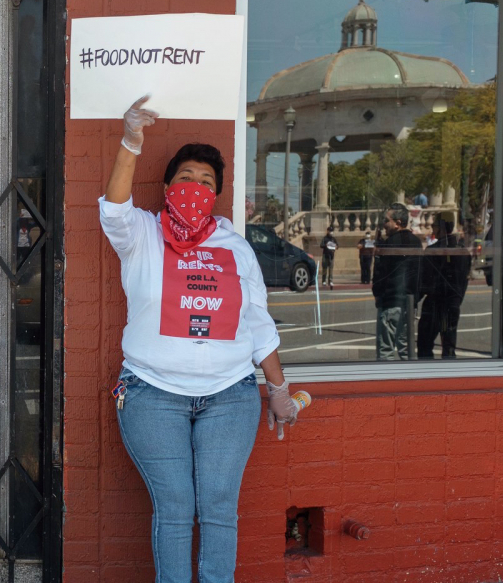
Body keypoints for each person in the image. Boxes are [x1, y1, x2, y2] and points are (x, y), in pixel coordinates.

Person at [101, 96, 300, 583]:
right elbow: (113, 209)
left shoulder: (235, 246)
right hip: (152, 394)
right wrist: (130, 141)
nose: (195, 187)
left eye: (207, 182)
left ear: (217, 196)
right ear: (168, 186)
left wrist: (277, 391)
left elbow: (257, 323)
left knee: (217, 507)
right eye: (186, 178)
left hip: (229, 397)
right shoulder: (143, 234)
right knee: (174, 507)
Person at [372, 203, 423, 360]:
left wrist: (379, 295)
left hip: (390, 302)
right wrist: (415, 297)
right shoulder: (416, 243)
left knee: (386, 350)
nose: (384, 225)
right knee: (406, 350)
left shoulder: (389, 244)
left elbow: (380, 274)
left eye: (386, 221)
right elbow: (421, 275)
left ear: (398, 222)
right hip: (409, 303)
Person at [417, 215, 470, 359]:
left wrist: (416, 298)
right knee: (449, 345)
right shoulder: (463, 252)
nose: (432, 228)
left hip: (435, 303)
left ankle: (427, 374)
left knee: (424, 344)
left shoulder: (432, 251)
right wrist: (457, 299)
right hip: (452, 303)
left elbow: (424, 280)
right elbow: (464, 280)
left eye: (434, 226)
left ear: (440, 228)